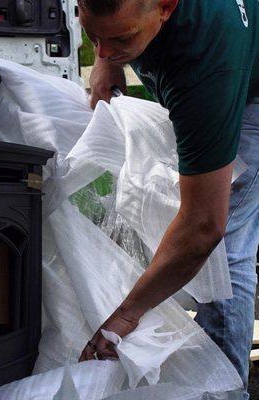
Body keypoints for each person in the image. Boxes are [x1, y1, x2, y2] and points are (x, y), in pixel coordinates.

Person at [77, 0, 259, 398]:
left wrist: (126, 316)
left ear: (165, 7)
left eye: (120, 38)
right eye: (93, 36)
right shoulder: (130, 22)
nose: (103, 50)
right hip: (205, 66)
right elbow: (110, 27)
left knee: (223, 255)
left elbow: (203, 226)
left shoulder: (206, 65)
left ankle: (222, 388)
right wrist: (108, 61)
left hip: (249, 95)